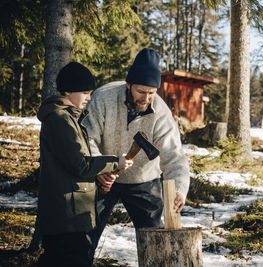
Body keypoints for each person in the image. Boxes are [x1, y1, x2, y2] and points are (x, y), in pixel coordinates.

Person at [82, 48, 190, 260]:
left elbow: (174, 155)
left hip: (144, 180)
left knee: (154, 241)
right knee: (85, 236)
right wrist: (99, 169)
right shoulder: (103, 98)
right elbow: (88, 138)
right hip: (105, 176)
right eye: (141, 91)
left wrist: (178, 189)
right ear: (128, 84)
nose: (146, 98)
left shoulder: (160, 110)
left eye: (151, 92)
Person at [36, 62, 133, 267]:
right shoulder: (60, 119)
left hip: (71, 214)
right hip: (65, 217)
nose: (89, 98)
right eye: (85, 92)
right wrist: (115, 162)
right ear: (68, 90)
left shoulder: (70, 118)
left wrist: (100, 180)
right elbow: (80, 164)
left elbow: (72, 165)